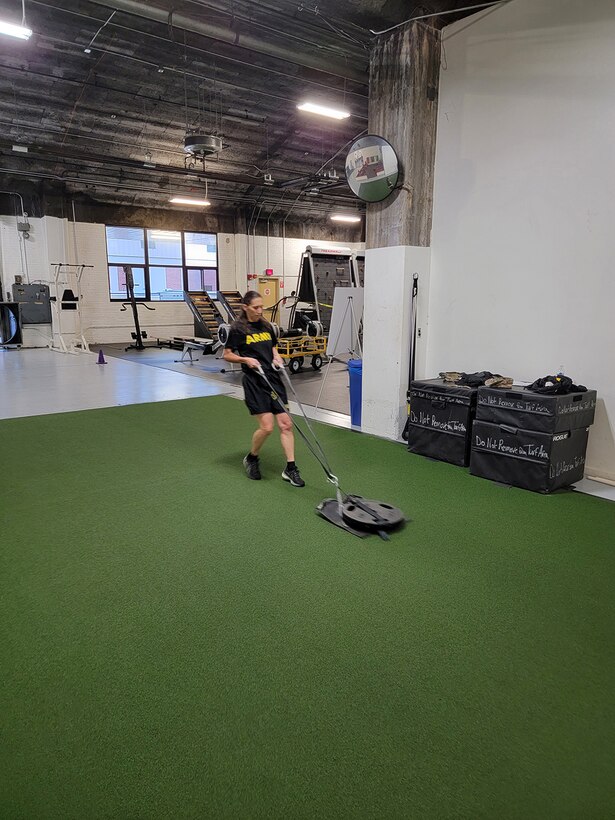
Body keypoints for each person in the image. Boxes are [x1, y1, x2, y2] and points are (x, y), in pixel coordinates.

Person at [223, 291, 305, 487]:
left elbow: (273, 347)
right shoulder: (237, 329)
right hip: (254, 382)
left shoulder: (267, 326)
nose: (260, 311)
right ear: (245, 307)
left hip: (273, 379)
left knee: (286, 424)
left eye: (262, 307)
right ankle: (252, 458)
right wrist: (244, 359)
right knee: (267, 427)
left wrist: (276, 357)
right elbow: (226, 354)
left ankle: (290, 468)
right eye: (256, 307)